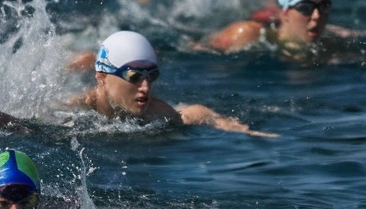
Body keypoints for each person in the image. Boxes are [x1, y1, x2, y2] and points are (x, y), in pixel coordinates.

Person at [71, 31, 277, 138]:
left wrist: (227, 124)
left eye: (152, 76)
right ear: (102, 77)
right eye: (134, 76)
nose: (145, 87)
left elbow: (189, 114)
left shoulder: (156, 112)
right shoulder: (78, 107)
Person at [206, 0, 336, 53]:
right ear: (285, 12)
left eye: (324, 6)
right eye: (305, 8)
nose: (317, 16)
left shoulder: (333, 42)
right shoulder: (247, 34)